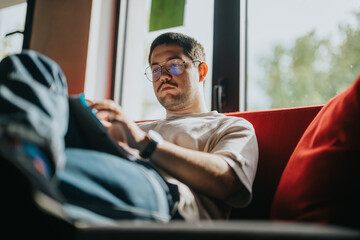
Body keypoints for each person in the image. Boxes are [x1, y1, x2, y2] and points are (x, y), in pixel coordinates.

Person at [0, 32, 258, 225]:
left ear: (201, 71)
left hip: (168, 196)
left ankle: (24, 162)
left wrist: (144, 143)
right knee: (32, 67)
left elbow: (228, 181)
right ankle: (25, 152)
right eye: (156, 69)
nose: (164, 75)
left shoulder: (231, 126)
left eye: (175, 65)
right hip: (114, 163)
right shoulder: (138, 126)